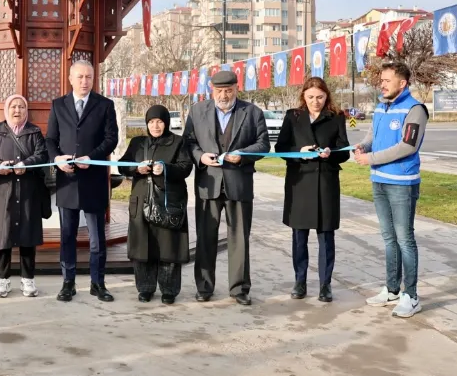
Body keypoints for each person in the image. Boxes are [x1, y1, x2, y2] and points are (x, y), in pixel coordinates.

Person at [183, 69, 269, 305]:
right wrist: (200, 156)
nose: (224, 95)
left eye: (228, 90)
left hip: (239, 184)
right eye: (219, 91)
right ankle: (204, 286)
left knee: (239, 238)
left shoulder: (252, 113)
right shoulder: (197, 111)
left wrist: (243, 155)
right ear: (212, 90)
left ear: (236, 89)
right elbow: (188, 142)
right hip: (208, 184)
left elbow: (263, 144)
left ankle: (239, 288)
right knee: (205, 237)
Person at [353, 61, 428, 318]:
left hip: (402, 184)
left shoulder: (415, 109)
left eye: (387, 80)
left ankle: (412, 295)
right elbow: (372, 136)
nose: (381, 84)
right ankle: (393, 289)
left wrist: (371, 159)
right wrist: (363, 147)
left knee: (405, 239)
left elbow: (407, 146)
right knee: (388, 239)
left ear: (402, 83)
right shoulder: (381, 107)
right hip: (379, 181)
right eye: (381, 80)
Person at [45, 60, 119, 303]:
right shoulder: (58, 105)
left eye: (88, 77)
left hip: (94, 179)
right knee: (67, 235)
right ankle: (68, 282)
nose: (84, 81)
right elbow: (50, 140)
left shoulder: (105, 105)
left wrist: (94, 157)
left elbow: (111, 138)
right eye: (80, 77)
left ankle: (98, 282)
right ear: (70, 78)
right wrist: (57, 159)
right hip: (67, 180)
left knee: (97, 238)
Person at [274, 77, 349, 303]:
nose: (315, 101)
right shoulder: (293, 117)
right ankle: (300, 281)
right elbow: (280, 148)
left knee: (326, 236)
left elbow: (344, 150)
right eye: (310, 97)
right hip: (300, 183)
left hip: (326, 183)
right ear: (303, 97)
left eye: (320, 97)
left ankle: (325, 285)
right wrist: (300, 151)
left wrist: (330, 152)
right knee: (299, 236)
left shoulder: (336, 117)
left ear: (326, 96)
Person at [117, 104, 193, 305]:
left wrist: (166, 169)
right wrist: (136, 169)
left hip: (168, 202)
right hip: (142, 200)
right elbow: (122, 164)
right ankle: (145, 288)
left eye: (159, 121)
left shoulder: (178, 142)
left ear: (166, 122)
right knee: (144, 246)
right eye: (151, 122)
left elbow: (186, 167)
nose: (156, 126)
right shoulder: (138, 143)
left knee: (168, 246)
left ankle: (169, 290)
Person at [0, 94, 48, 298]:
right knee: (2, 235)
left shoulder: (34, 132)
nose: (17, 111)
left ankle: (28, 280)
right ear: (6, 109)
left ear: (27, 110)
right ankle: (3, 280)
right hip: (2, 191)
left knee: (28, 236)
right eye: (13, 107)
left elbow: (42, 155)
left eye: (21, 107)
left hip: (28, 192)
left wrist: (25, 165)